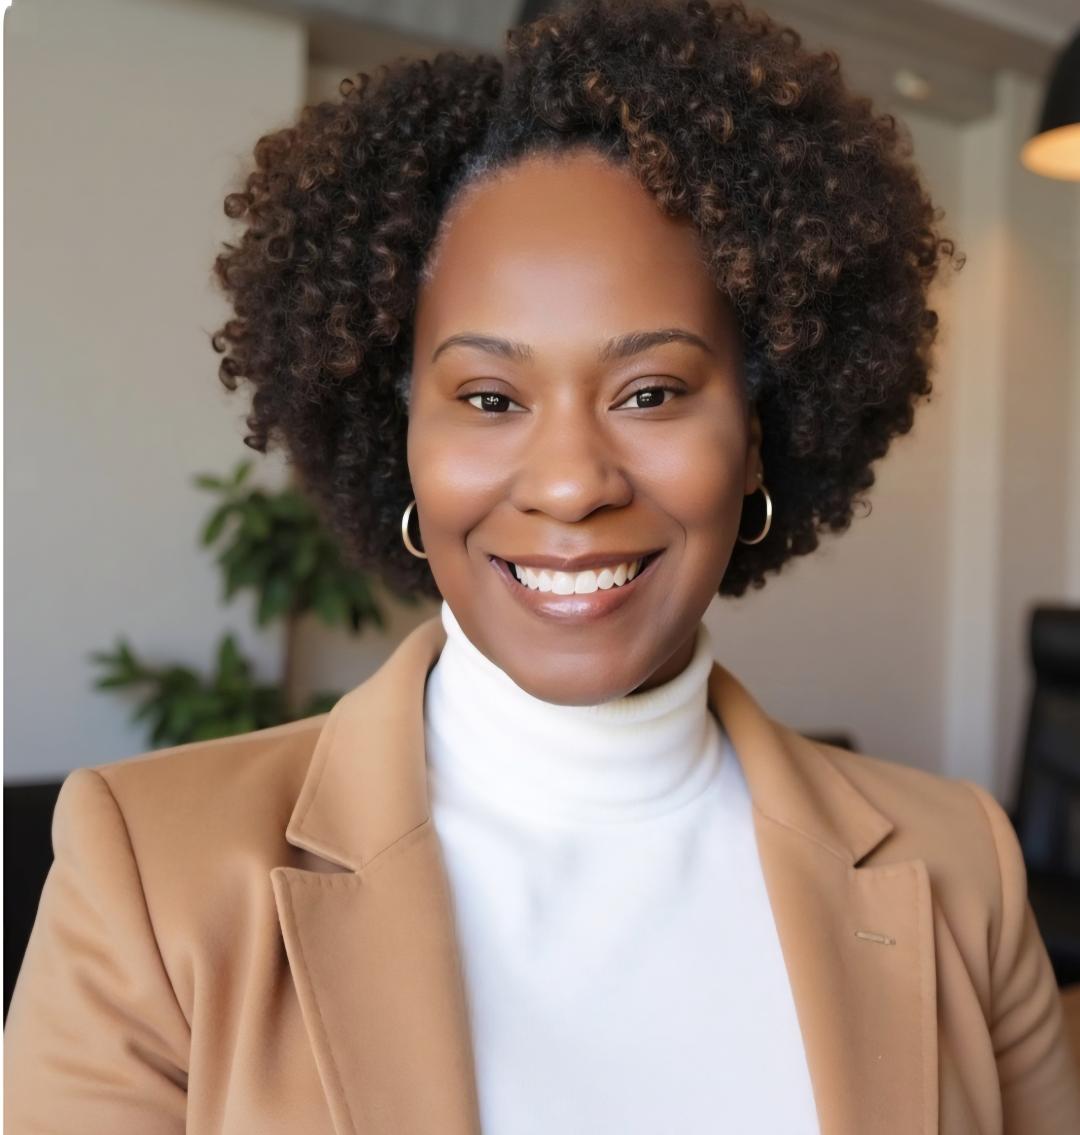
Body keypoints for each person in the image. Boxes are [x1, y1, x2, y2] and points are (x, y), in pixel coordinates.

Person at [6, 1, 1079, 1131]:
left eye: (651, 392)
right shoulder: (148, 876)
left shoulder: (965, 869)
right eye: (488, 398)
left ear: (758, 436)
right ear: (400, 439)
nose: (571, 484)